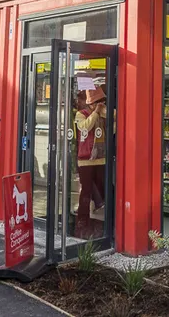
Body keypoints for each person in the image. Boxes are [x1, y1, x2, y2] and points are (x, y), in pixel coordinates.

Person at [75, 87, 107, 238]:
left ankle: (100, 213)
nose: (101, 104)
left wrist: (104, 112)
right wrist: (96, 113)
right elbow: (85, 127)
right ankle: (82, 219)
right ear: (91, 103)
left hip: (101, 157)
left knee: (101, 187)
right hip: (85, 159)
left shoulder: (102, 113)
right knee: (86, 191)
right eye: (99, 102)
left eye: (103, 102)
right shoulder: (80, 114)